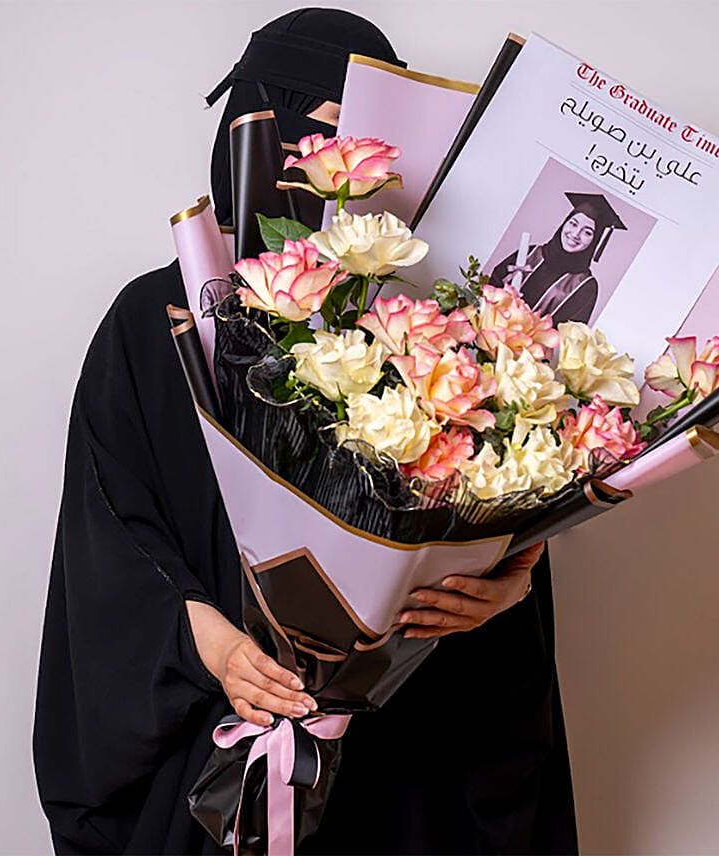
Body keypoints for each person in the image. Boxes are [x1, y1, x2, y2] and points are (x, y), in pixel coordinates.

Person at [33, 10, 578, 855]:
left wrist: (508, 585)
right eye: (308, 131)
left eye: (356, 136)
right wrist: (208, 643)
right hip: (223, 722)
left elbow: (493, 495)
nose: (323, 163)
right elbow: (107, 530)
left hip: (407, 740)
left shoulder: (425, 327)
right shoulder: (155, 320)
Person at [490, 192, 626, 326]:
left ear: (595, 240)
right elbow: (490, 287)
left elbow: (570, 334)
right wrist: (503, 288)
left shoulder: (586, 287)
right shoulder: (529, 253)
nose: (575, 234)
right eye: (573, 224)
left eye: (587, 232)